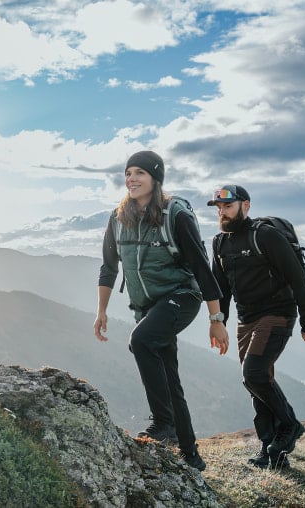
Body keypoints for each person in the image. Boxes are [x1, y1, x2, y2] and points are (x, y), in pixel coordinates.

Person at [94, 150, 228, 472]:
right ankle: (191, 456)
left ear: (156, 178)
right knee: (169, 375)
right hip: (147, 307)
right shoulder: (117, 219)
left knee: (140, 342)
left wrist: (216, 319)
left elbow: (201, 267)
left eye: (139, 172)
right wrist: (102, 311)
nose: (132, 179)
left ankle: (163, 423)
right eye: (128, 173)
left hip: (182, 297)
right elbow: (109, 267)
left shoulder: (175, 215)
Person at [207, 184, 305, 469]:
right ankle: (271, 451)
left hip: (277, 314)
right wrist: (218, 323)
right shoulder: (219, 243)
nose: (222, 212)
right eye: (219, 208)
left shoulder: (265, 236)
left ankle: (289, 425)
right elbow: (222, 291)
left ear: (245, 206)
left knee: (254, 374)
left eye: (228, 206)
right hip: (246, 320)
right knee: (256, 384)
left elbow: (298, 279)